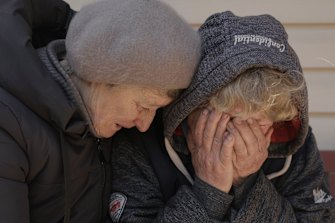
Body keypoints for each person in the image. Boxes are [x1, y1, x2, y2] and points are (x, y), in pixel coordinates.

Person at [109, 11, 335, 222]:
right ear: (192, 105)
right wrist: (209, 191)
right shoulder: (142, 138)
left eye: (259, 120)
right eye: (231, 118)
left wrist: (248, 184)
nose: (240, 136)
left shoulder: (292, 145)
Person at [0, 0, 201, 222]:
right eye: (143, 106)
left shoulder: (99, 117)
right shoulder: (8, 125)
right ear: (100, 76)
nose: (144, 125)